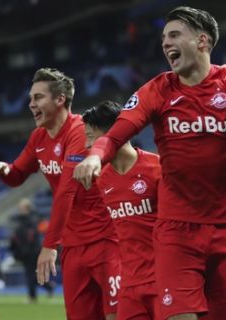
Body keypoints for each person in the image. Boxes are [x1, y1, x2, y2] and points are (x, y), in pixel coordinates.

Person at [74, 6, 226, 320]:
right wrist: (96, 155)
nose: (166, 43)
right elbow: (116, 134)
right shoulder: (157, 91)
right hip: (177, 230)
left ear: (203, 42)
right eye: (164, 37)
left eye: (175, 35)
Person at [0, 68, 120, 320]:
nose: (31, 104)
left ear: (60, 100)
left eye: (38, 98)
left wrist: (48, 246)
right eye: (30, 98)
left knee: (117, 315)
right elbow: (18, 175)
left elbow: (67, 191)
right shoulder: (39, 137)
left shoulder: (81, 131)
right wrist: (6, 170)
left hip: (105, 239)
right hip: (72, 246)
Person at [82, 100, 160, 320]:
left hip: (164, 279)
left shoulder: (158, 169)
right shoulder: (101, 180)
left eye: (91, 136)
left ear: (113, 135)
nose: (88, 145)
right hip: (129, 284)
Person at [10, 197, 54, 303]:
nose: (19, 209)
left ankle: (34, 296)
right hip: (28, 251)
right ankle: (47, 287)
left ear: (27, 208)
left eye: (21, 207)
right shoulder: (27, 219)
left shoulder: (31, 219)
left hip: (32, 251)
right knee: (32, 274)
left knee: (31, 274)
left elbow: (31, 236)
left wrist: (25, 249)